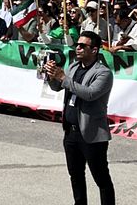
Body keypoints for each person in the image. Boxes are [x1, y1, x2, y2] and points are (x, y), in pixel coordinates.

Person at [45, 31, 115, 205]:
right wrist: (52, 76)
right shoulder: (74, 66)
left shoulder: (104, 73)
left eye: (83, 46)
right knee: (75, 175)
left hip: (92, 134)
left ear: (94, 50)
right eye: (77, 44)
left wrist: (63, 78)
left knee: (101, 178)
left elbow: (90, 94)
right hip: (71, 132)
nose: (78, 48)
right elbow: (57, 87)